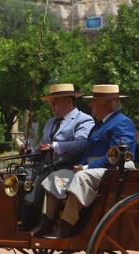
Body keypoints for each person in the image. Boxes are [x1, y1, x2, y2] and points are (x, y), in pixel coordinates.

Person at [40, 84, 137, 238]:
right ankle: (48, 222)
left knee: (81, 177)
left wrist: (86, 167)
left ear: (106, 104)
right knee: (56, 178)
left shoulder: (122, 122)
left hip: (117, 168)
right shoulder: (98, 125)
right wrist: (80, 165)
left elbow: (115, 155)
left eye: (94, 101)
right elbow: (88, 150)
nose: (91, 105)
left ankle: (67, 225)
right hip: (96, 169)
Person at [32, 83, 94, 235]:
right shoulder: (50, 123)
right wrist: (31, 151)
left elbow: (81, 144)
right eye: (51, 102)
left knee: (42, 183)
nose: (52, 105)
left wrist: (56, 146)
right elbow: (42, 146)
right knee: (21, 180)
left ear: (69, 101)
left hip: (69, 168)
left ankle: (46, 221)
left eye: (56, 101)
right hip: (45, 166)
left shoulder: (84, 120)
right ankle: (24, 220)